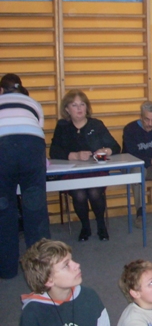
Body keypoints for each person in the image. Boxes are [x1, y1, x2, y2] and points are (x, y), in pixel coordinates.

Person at [50, 89, 121, 242]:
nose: (79, 108)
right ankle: (85, 226)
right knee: (79, 193)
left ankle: (101, 225)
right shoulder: (62, 126)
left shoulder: (96, 124)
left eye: (82, 104)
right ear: (67, 109)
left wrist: (105, 151)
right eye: (74, 105)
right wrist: (74, 155)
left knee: (95, 192)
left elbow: (116, 147)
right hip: (72, 172)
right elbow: (54, 151)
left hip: (95, 170)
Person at [0, 73, 51, 280]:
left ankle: (7, 269)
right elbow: (37, 129)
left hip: (3, 150)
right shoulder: (33, 103)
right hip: (32, 147)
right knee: (35, 209)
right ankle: (42, 270)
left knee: (4, 210)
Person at [19, 238, 111, 326]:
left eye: (72, 259)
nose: (77, 265)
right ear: (48, 280)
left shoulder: (90, 297)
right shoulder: (32, 315)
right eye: (66, 265)